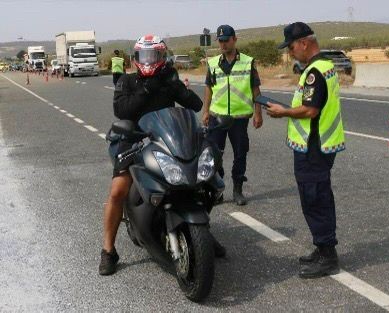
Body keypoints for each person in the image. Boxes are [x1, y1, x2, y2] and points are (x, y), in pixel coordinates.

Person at [99, 35, 206, 276]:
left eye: (153, 56)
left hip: (165, 141)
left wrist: (176, 86)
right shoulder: (127, 82)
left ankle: (203, 233)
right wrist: (148, 88)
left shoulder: (168, 79)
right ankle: (108, 250)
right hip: (133, 139)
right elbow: (122, 110)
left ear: (162, 56)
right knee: (118, 190)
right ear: (136, 58)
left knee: (198, 180)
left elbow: (195, 105)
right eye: (144, 56)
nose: (148, 61)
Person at [266, 22, 345, 278]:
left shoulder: (315, 72)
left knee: (315, 199)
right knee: (318, 196)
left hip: (314, 146)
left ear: (304, 43)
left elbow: (311, 110)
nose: (290, 53)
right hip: (321, 144)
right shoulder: (325, 66)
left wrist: (283, 112)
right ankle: (322, 249)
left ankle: (327, 256)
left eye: (291, 47)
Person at [202, 24, 263, 206]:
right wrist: (206, 111)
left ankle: (237, 190)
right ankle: (217, 190)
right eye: (220, 41)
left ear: (234, 39)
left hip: (239, 119)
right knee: (214, 155)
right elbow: (208, 88)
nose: (223, 44)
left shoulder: (248, 62)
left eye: (226, 40)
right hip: (217, 117)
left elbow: (256, 90)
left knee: (240, 154)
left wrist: (258, 113)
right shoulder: (212, 64)